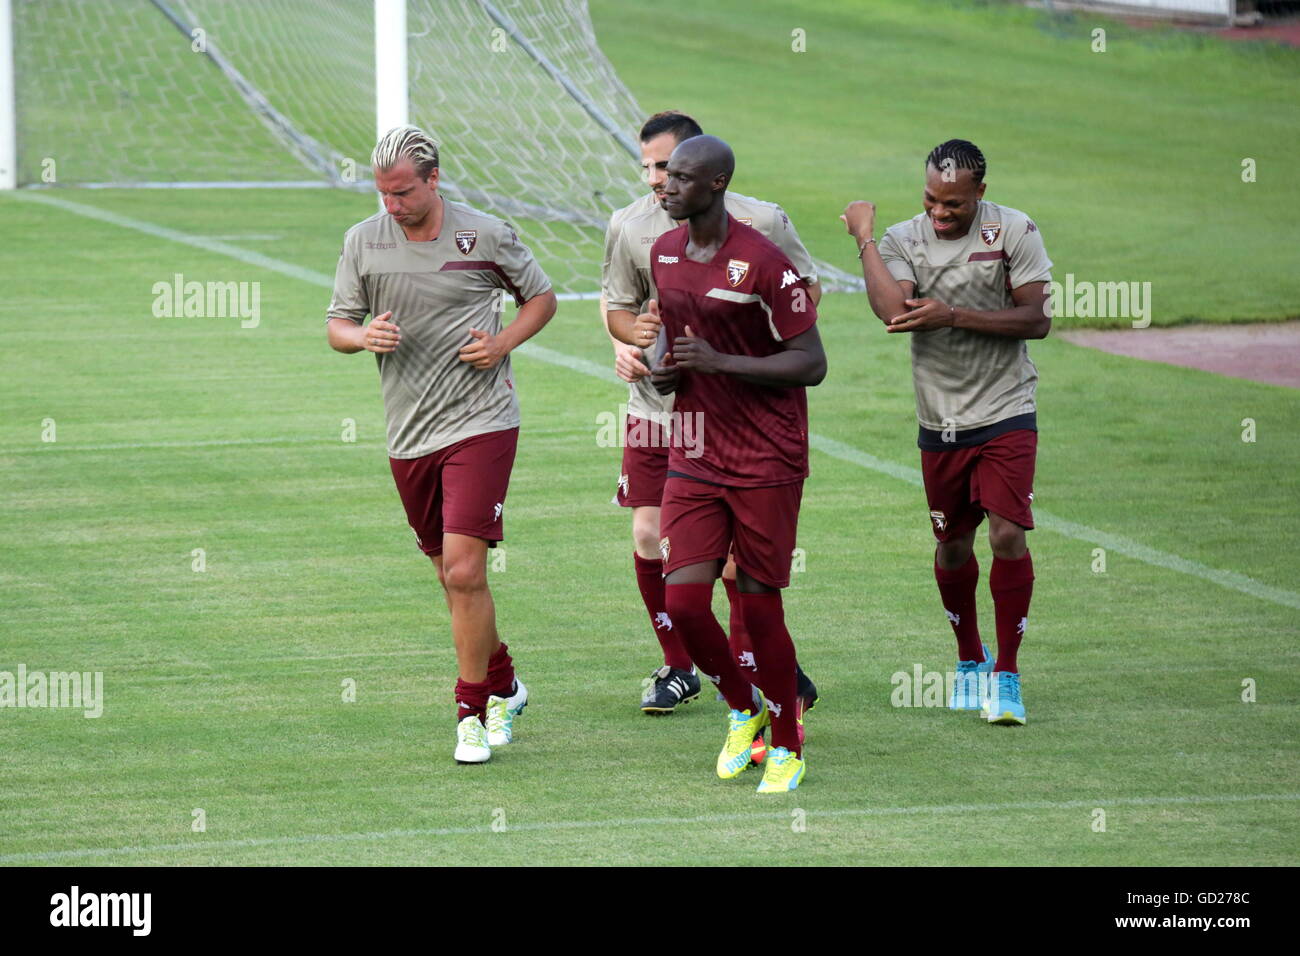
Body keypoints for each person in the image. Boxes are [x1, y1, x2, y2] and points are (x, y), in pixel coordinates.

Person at [326, 125, 557, 762]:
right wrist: (361, 337)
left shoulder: (484, 234)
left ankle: (471, 713)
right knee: (449, 575)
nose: (391, 206)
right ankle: (505, 683)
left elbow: (541, 297)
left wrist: (503, 342)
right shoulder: (361, 242)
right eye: (383, 195)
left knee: (463, 569)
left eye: (402, 193)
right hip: (409, 433)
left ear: (433, 180)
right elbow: (337, 324)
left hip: (482, 421)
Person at [602, 111, 821, 737]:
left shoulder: (764, 228)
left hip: (750, 436)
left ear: (710, 176)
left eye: (668, 169)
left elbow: (803, 313)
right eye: (648, 168)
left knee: (740, 576)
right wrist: (640, 351)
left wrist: (730, 353)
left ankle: (768, 689)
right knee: (653, 541)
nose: (656, 181)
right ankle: (686, 669)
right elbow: (626, 310)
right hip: (662, 415)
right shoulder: (636, 229)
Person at [841, 139, 1051, 725]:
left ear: (980, 193)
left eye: (953, 204)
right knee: (953, 544)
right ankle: (969, 661)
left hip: (1007, 410)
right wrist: (864, 238)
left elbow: (1037, 319)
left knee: (1008, 534)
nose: (939, 212)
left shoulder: (1013, 231)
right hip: (941, 422)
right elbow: (891, 312)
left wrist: (954, 315)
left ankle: (1006, 675)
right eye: (931, 199)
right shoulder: (903, 239)